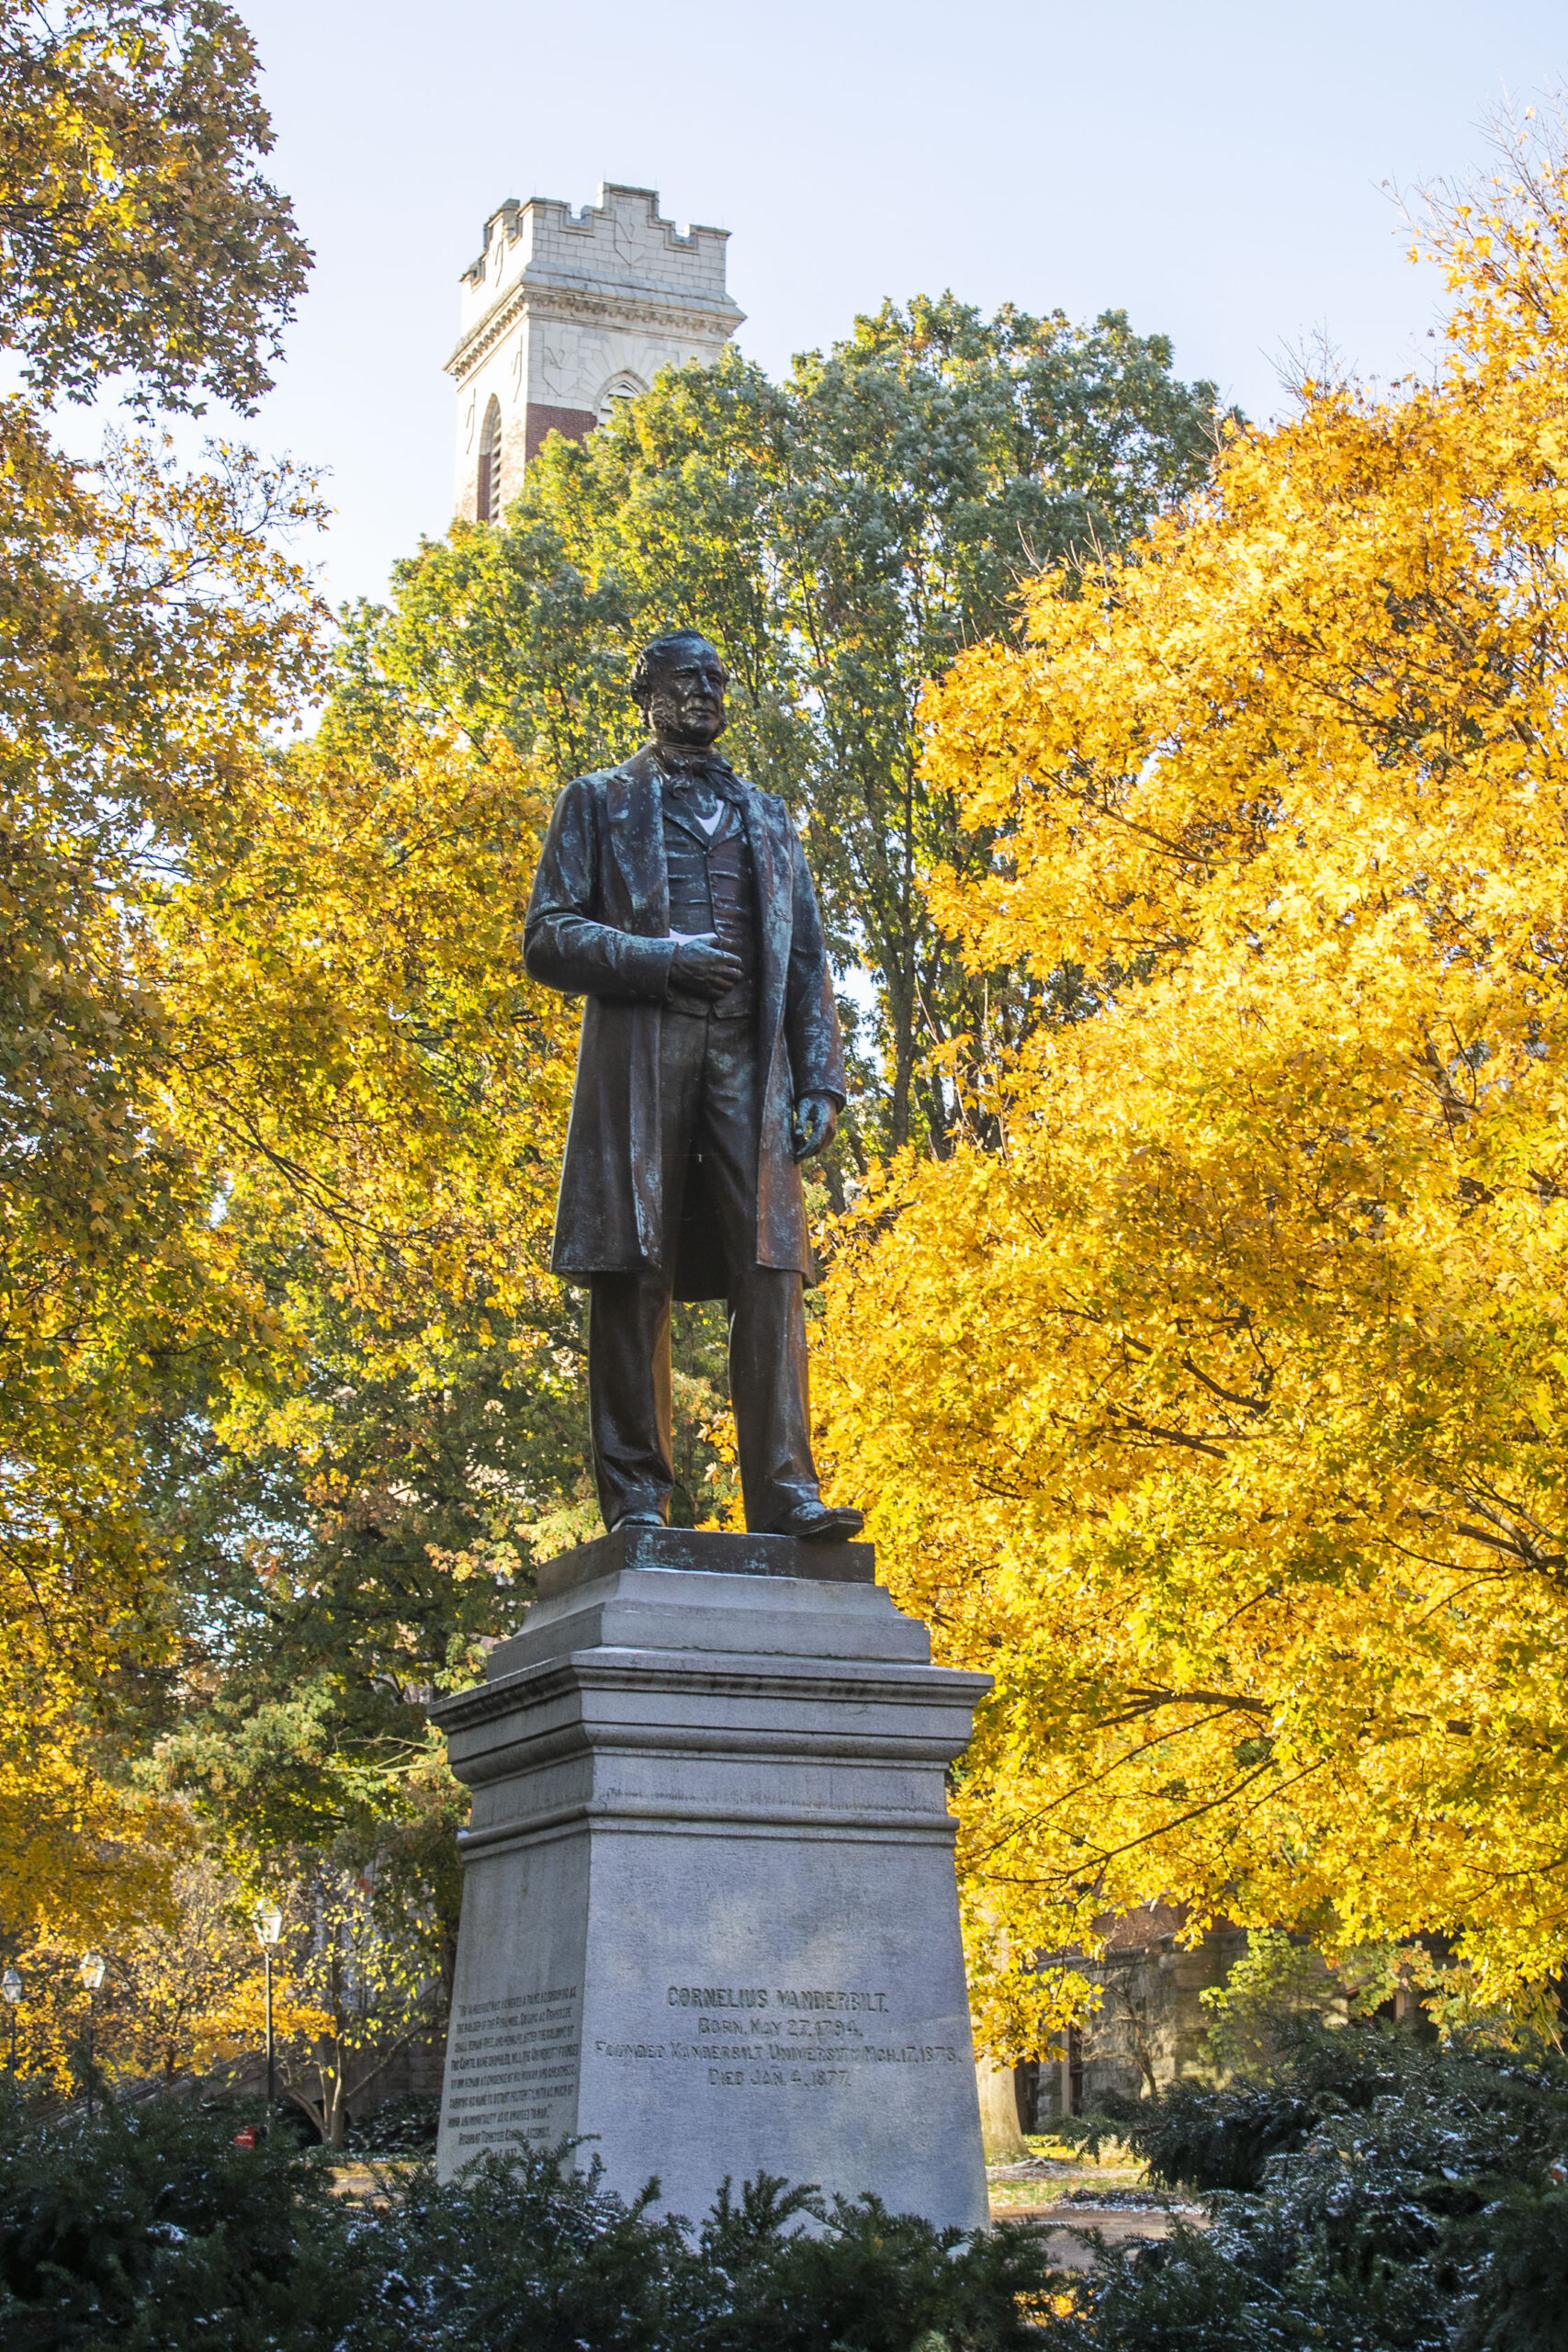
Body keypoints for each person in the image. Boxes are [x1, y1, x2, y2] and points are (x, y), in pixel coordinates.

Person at [524, 628, 864, 1541]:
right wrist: (656, 958)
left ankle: (785, 1492)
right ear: (647, 694)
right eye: (688, 678)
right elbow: (547, 936)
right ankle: (637, 1495)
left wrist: (821, 1079)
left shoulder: (768, 816)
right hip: (644, 1052)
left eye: (717, 677)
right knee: (633, 1266)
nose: (708, 690)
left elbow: (807, 956)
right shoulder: (599, 801)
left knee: (772, 1268)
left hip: (750, 1059)